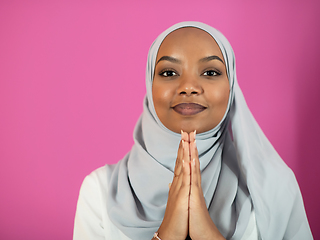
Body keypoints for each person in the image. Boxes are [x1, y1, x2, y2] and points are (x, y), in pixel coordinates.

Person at [73, 22, 313, 240]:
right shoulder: (100, 192)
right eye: (169, 73)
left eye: (210, 72)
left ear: (231, 89)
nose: (188, 87)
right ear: (149, 84)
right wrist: (166, 234)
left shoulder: (274, 188)